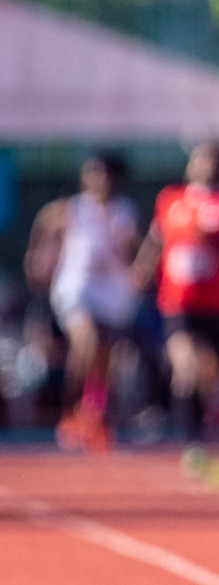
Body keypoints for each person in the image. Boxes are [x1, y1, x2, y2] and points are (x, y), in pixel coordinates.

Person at [133, 142, 219, 440]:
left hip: (217, 303)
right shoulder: (171, 200)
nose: (204, 166)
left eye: (211, 161)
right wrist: (141, 269)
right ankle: (189, 437)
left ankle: (206, 426)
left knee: (209, 374)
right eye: (199, 160)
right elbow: (156, 240)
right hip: (178, 301)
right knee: (187, 362)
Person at [24, 154, 141, 450]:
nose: (99, 180)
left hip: (111, 290)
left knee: (104, 357)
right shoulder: (71, 209)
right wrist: (39, 257)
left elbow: (131, 253)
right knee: (85, 341)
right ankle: (69, 409)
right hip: (77, 288)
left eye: (105, 175)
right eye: (93, 174)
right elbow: (45, 226)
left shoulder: (125, 212)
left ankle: (94, 414)